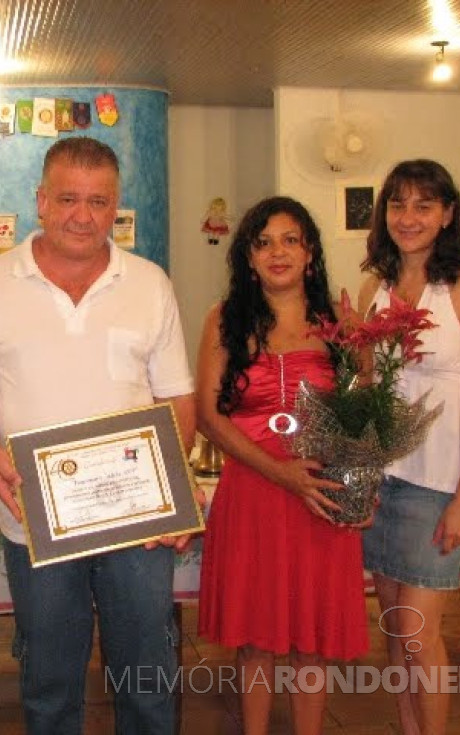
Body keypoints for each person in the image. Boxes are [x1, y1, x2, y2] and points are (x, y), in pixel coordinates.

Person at [0, 136, 196, 735]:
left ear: (116, 208)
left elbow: (178, 397)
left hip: (137, 524)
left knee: (146, 679)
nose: (82, 216)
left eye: (98, 201)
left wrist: (170, 495)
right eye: (67, 199)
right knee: (50, 685)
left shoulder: (149, 282)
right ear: (40, 201)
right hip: (35, 520)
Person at [196, 196, 369, 735]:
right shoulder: (224, 319)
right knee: (256, 639)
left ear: (310, 253)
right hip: (252, 494)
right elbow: (206, 415)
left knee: (311, 642)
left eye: (290, 240)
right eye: (263, 241)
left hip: (321, 494)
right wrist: (277, 472)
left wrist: (362, 485)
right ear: (248, 257)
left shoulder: (340, 321)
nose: (277, 252)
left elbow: (365, 408)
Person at [359, 159, 460, 735]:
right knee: (396, 632)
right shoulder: (376, 285)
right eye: (398, 204)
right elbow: (366, 386)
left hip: (436, 482)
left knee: (421, 635)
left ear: (447, 214)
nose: (409, 217)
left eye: (423, 205)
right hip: (383, 480)